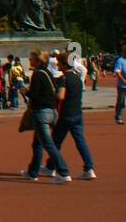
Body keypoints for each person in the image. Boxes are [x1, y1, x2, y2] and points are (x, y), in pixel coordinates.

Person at [21, 50, 70, 182]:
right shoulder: (47, 73)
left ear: (38, 61)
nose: (30, 61)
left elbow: (35, 94)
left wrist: (25, 91)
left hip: (41, 112)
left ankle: (64, 172)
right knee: (37, 143)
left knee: (48, 144)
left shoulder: (37, 74)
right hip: (51, 111)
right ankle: (32, 172)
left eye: (31, 59)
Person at [46, 52, 95, 180]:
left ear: (63, 64)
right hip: (77, 113)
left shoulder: (64, 78)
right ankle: (89, 168)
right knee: (80, 141)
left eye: (59, 63)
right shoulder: (77, 78)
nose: (57, 65)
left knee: (55, 142)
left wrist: (52, 96)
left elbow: (61, 96)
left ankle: (52, 167)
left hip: (65, 115)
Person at [114, 44, 126, 125]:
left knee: (123, 104)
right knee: (121, 102)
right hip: (122, 85)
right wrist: (124, 81)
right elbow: (117, 72)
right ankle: (118, 117)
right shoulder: (120, 60)